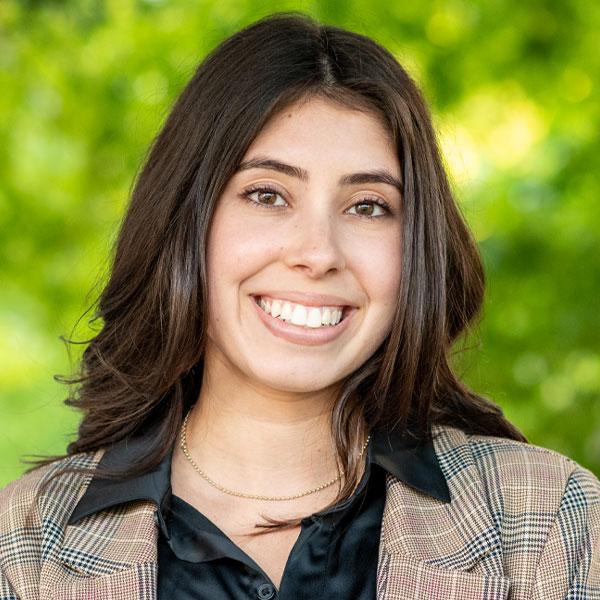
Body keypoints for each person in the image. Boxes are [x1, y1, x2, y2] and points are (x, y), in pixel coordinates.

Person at [1, 11, 598, 600]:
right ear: (186, 221)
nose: (318, 253)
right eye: (267, 194)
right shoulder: (21, 548)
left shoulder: (548, 526)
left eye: (367, 206)